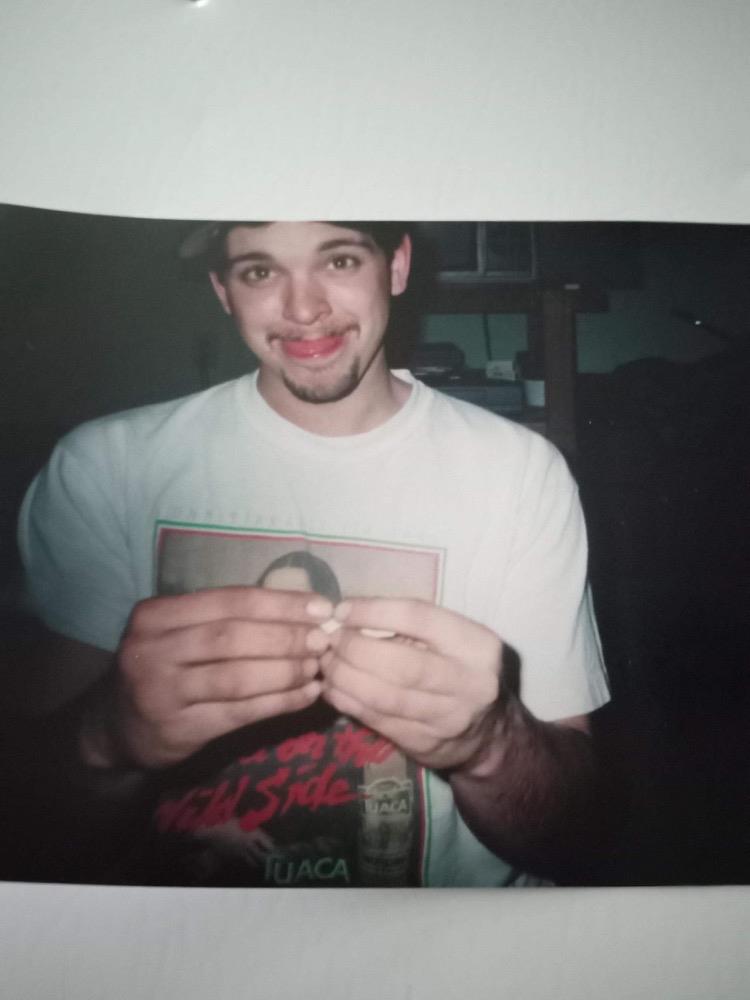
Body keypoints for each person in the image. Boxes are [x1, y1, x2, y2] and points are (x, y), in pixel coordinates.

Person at [17, 220, 611, 887]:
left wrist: (489, 744)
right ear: (222, 289)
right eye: (260, 271)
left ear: (397, 265)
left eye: (340, 259)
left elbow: (578, 836)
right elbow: (29, 829)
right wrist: (108, 739)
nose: (303, 310)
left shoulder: (519, 474)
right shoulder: (107, 468)